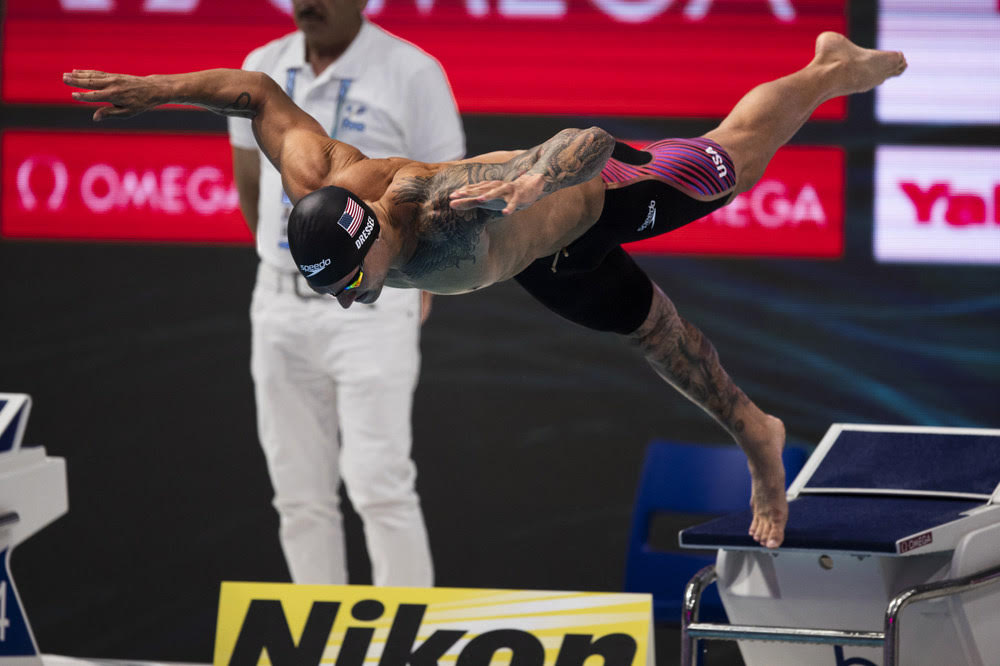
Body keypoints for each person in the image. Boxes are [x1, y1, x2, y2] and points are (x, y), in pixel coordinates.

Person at [64, 32, 907, 549]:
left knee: (739, 153)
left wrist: (535, 175)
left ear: (380, 236)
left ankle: (826, 69)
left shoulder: (445, 204)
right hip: (543, 259)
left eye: (356, 285)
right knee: (660, 341)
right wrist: (155, 90)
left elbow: (592, 139)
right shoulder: (317, 176)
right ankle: (758, 434)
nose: (354, 303)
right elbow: (254, 93)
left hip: (594, 196)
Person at [228, 0, 465, 586]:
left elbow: (448, 189)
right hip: (278, 302)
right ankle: (323, 641)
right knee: (298, 495)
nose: (308, 4)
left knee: (379, 485)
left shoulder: (412, 72)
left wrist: (416, 277)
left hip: (372, 303)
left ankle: (404, 644)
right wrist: (286, 257)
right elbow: (251, 182)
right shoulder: (261, 65)